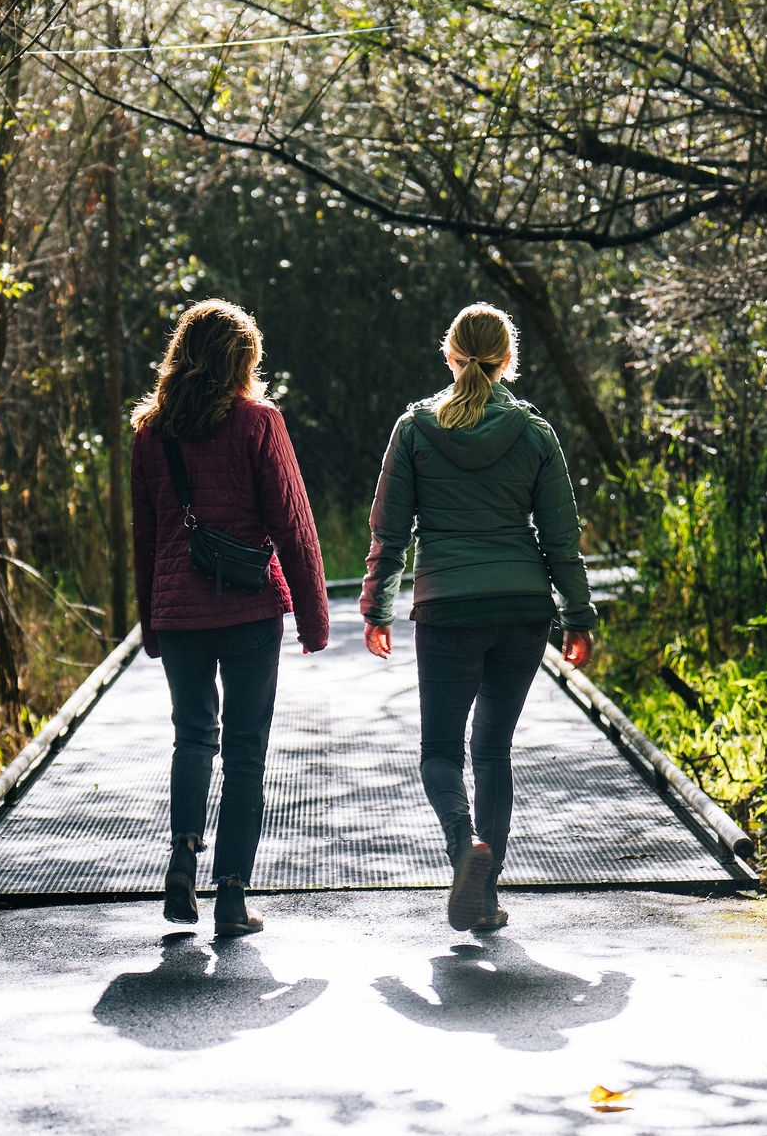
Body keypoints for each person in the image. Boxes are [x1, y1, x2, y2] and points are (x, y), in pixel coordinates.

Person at [360, 303, 598, 933]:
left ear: (450, 354)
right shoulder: (535, 433)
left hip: (447, 610)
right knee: (492, 749)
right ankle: (484, 894)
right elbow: (561, 539)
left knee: (441, 750)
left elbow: (390, 532)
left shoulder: (414, 429)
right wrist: (578, 615)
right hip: (522, 611)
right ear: (508, 359)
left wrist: (377, 607)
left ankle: (464, 850)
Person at [131, 300, 327, 937]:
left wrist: (150, 620)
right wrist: (314, 616)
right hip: (247, 610)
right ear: (241, 362)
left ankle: (182, 860)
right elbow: (291, 523)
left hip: (179, 613)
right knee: (244, 752)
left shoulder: (150, 433)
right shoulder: (259, 424)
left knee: (193, 738)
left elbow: (144, 534)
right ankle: (233, 898)